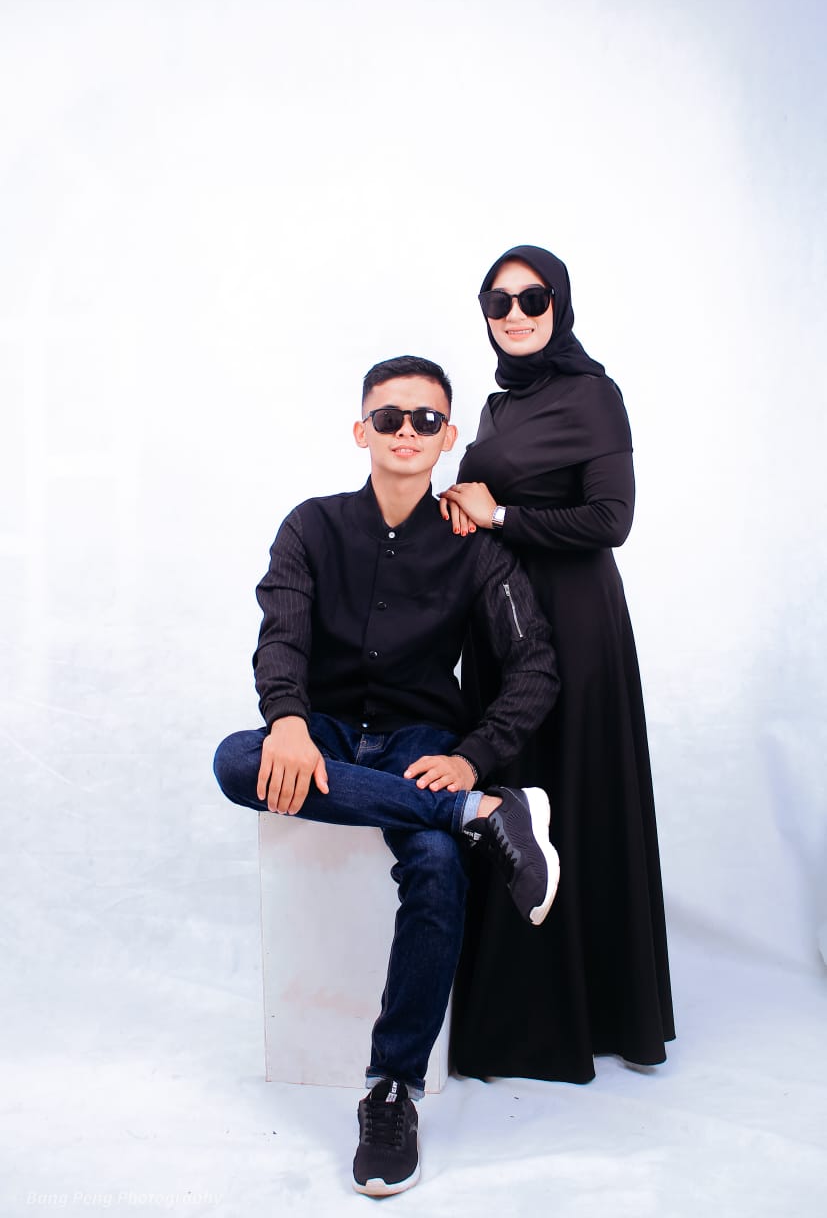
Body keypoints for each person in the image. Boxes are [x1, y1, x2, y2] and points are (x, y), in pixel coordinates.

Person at [213, 354, 561, 1196]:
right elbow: (280, 635)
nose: (407, 431)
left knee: (437, 871)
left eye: (425, 420)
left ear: (447, 436)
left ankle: (392, 1087)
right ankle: (480, 813)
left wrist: (472, 755)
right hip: (323, 734)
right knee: (236, 759)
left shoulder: (477, 550)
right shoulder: (310, 526)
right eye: (389, 417)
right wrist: (287, 719)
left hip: (420, 742)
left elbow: (535, 667)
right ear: (360, 430)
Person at [441, 245, 675, 1085]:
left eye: (532, 298)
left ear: (559, 304)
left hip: (574, 619)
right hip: (500, 615)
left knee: (569, 789)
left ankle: (592, 1011)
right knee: (511, 797)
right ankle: (513, 1014)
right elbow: (486, 509)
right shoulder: (497, 407)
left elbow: (611, 520)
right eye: (497, 301)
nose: (514, 314)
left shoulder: (592, 395)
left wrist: (498, 514)